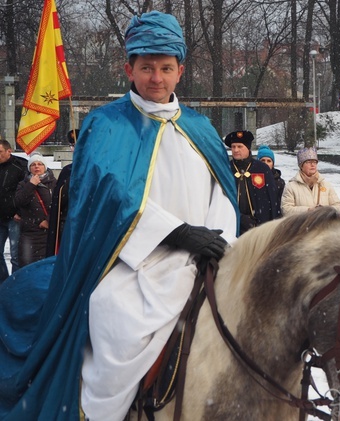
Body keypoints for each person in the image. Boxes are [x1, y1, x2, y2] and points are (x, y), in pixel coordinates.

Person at [0, 11, 239, 419]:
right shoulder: (105, 124)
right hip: (128, 260)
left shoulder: (200, 128)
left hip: (203, 258)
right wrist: (177, 232)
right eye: (146, 67)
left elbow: (224, 194)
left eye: (166, 68)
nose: (156, 78)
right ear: (128, 68)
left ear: (180, 71)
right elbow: (103, 199)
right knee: (115, 320)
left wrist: (217, 241)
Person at [225, 130, 280, 234]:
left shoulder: (262, 169)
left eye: (240, 146)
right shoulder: (227, 168)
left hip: (258, 227)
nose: (236, 150)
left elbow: (272, 200)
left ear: (248, 148)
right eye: (233, 147)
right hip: (232, 225)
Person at [14, 153, 56, 267]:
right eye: (33, 164)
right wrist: (31, 185)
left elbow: (59, 205)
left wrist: (48, 220)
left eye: (40, 164)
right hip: (29, 232)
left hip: (49, 231)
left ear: (45, 166)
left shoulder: (54, 183)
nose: (37, 167)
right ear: (29, 168)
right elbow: (19, 201)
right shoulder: (23, 184)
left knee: (47, 265)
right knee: (28, 265)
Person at [281, 147, 340, 214]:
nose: (313, 165)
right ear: (301, 166)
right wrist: (308, 210)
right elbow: (286, 210)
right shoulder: (291, 186)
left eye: (315, 162)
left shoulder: (326, 185)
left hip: (323, 224)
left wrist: (325, 210)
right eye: (308, 162)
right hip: (302, 224)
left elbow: (338, 207)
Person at [46, 129, 77, 257]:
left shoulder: (96, 168)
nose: (74, 149)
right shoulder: (67, 170)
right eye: (73, 146)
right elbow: (59, 197)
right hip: (67, 221)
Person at [0, 139, 27, 282]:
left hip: (14, 217)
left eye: (0, 152)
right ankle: (4, 282)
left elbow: (27, 192)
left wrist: (20, 212)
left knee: (16, 255)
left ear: (9, 151)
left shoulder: (20, 166)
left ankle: (16, 283)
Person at [256, 144, 285, 211]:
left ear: (273, 164)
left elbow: (282, 203)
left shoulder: (279, 182)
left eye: (269, 161)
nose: (265, 163)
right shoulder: (251, 179)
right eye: (262, 160)